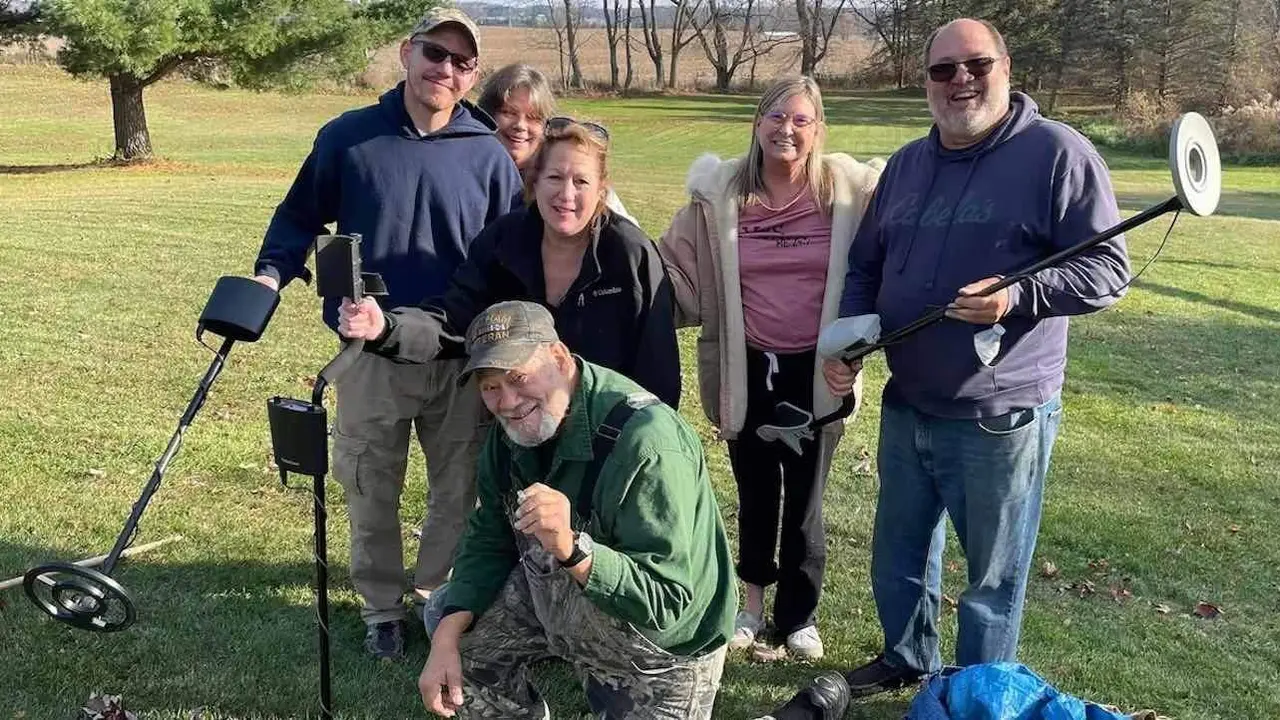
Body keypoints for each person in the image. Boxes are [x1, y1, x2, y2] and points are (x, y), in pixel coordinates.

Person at [766, 18, 1132, 716]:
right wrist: (848, 343)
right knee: (898, 555)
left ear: (1005, 66)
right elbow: (865, 264)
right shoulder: (907, 165)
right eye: (942, 70)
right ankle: (908, 656)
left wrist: (1019, 296)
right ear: (926, 81)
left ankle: (976, 691)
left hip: (1000, 417)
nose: (960, 80)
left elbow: (1108, 270)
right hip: (909, 401)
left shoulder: (1057, 154)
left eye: (976, 64)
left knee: (991, 576)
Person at [250, 7, 522, 661]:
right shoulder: (349, 137)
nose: (445, 69)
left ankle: (435, 599)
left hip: (460, 357)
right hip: (368, 350)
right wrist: (267, 277)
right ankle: (380, 610)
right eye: (435, 53)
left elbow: (513, 254)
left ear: (472, 75)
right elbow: (298, 216)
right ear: (407, 53)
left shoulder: (488, 155)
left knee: (458, 490)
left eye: (461, 62)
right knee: (371, 486)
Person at [414, 300, 736, 719]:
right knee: (449, 618)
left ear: (560, 359)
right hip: (564, 596)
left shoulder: (648, 444)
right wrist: (445, 639)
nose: (507, 401)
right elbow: (489, 535)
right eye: (490, 386)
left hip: (659, 646)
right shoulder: (510, 434)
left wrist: (573, 548)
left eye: (517, 377)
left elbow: (668, 601)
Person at [657, 76, 884, 661]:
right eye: (776, 117)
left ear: (817, 129)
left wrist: (855, 352)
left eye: (801, 120)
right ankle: (751, 605)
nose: (787, 129)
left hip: (819, 371)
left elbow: (879, 274)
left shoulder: (847, 196)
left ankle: (799, 617)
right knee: (756, 493)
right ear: (757, 124)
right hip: (748, 366)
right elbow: (669, 270)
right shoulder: (719, 198)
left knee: (807, 502)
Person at [338, 118, 682, 409]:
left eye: (581, 181)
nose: (566, 194)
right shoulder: (504, 241)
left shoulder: (629, 253)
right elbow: (454, 320)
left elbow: (657, 366)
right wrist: (385, 327)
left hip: (604, 424)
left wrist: (645, 434)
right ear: (533, 183)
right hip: (517, 420)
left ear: (601, 190)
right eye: (554, 178)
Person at [476, 62, 638, 224]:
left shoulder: (568, 168)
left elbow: (628, 232)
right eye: (509, 113)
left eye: (533, 118)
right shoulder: (471, 171)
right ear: (488, 115)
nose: (520, 125)